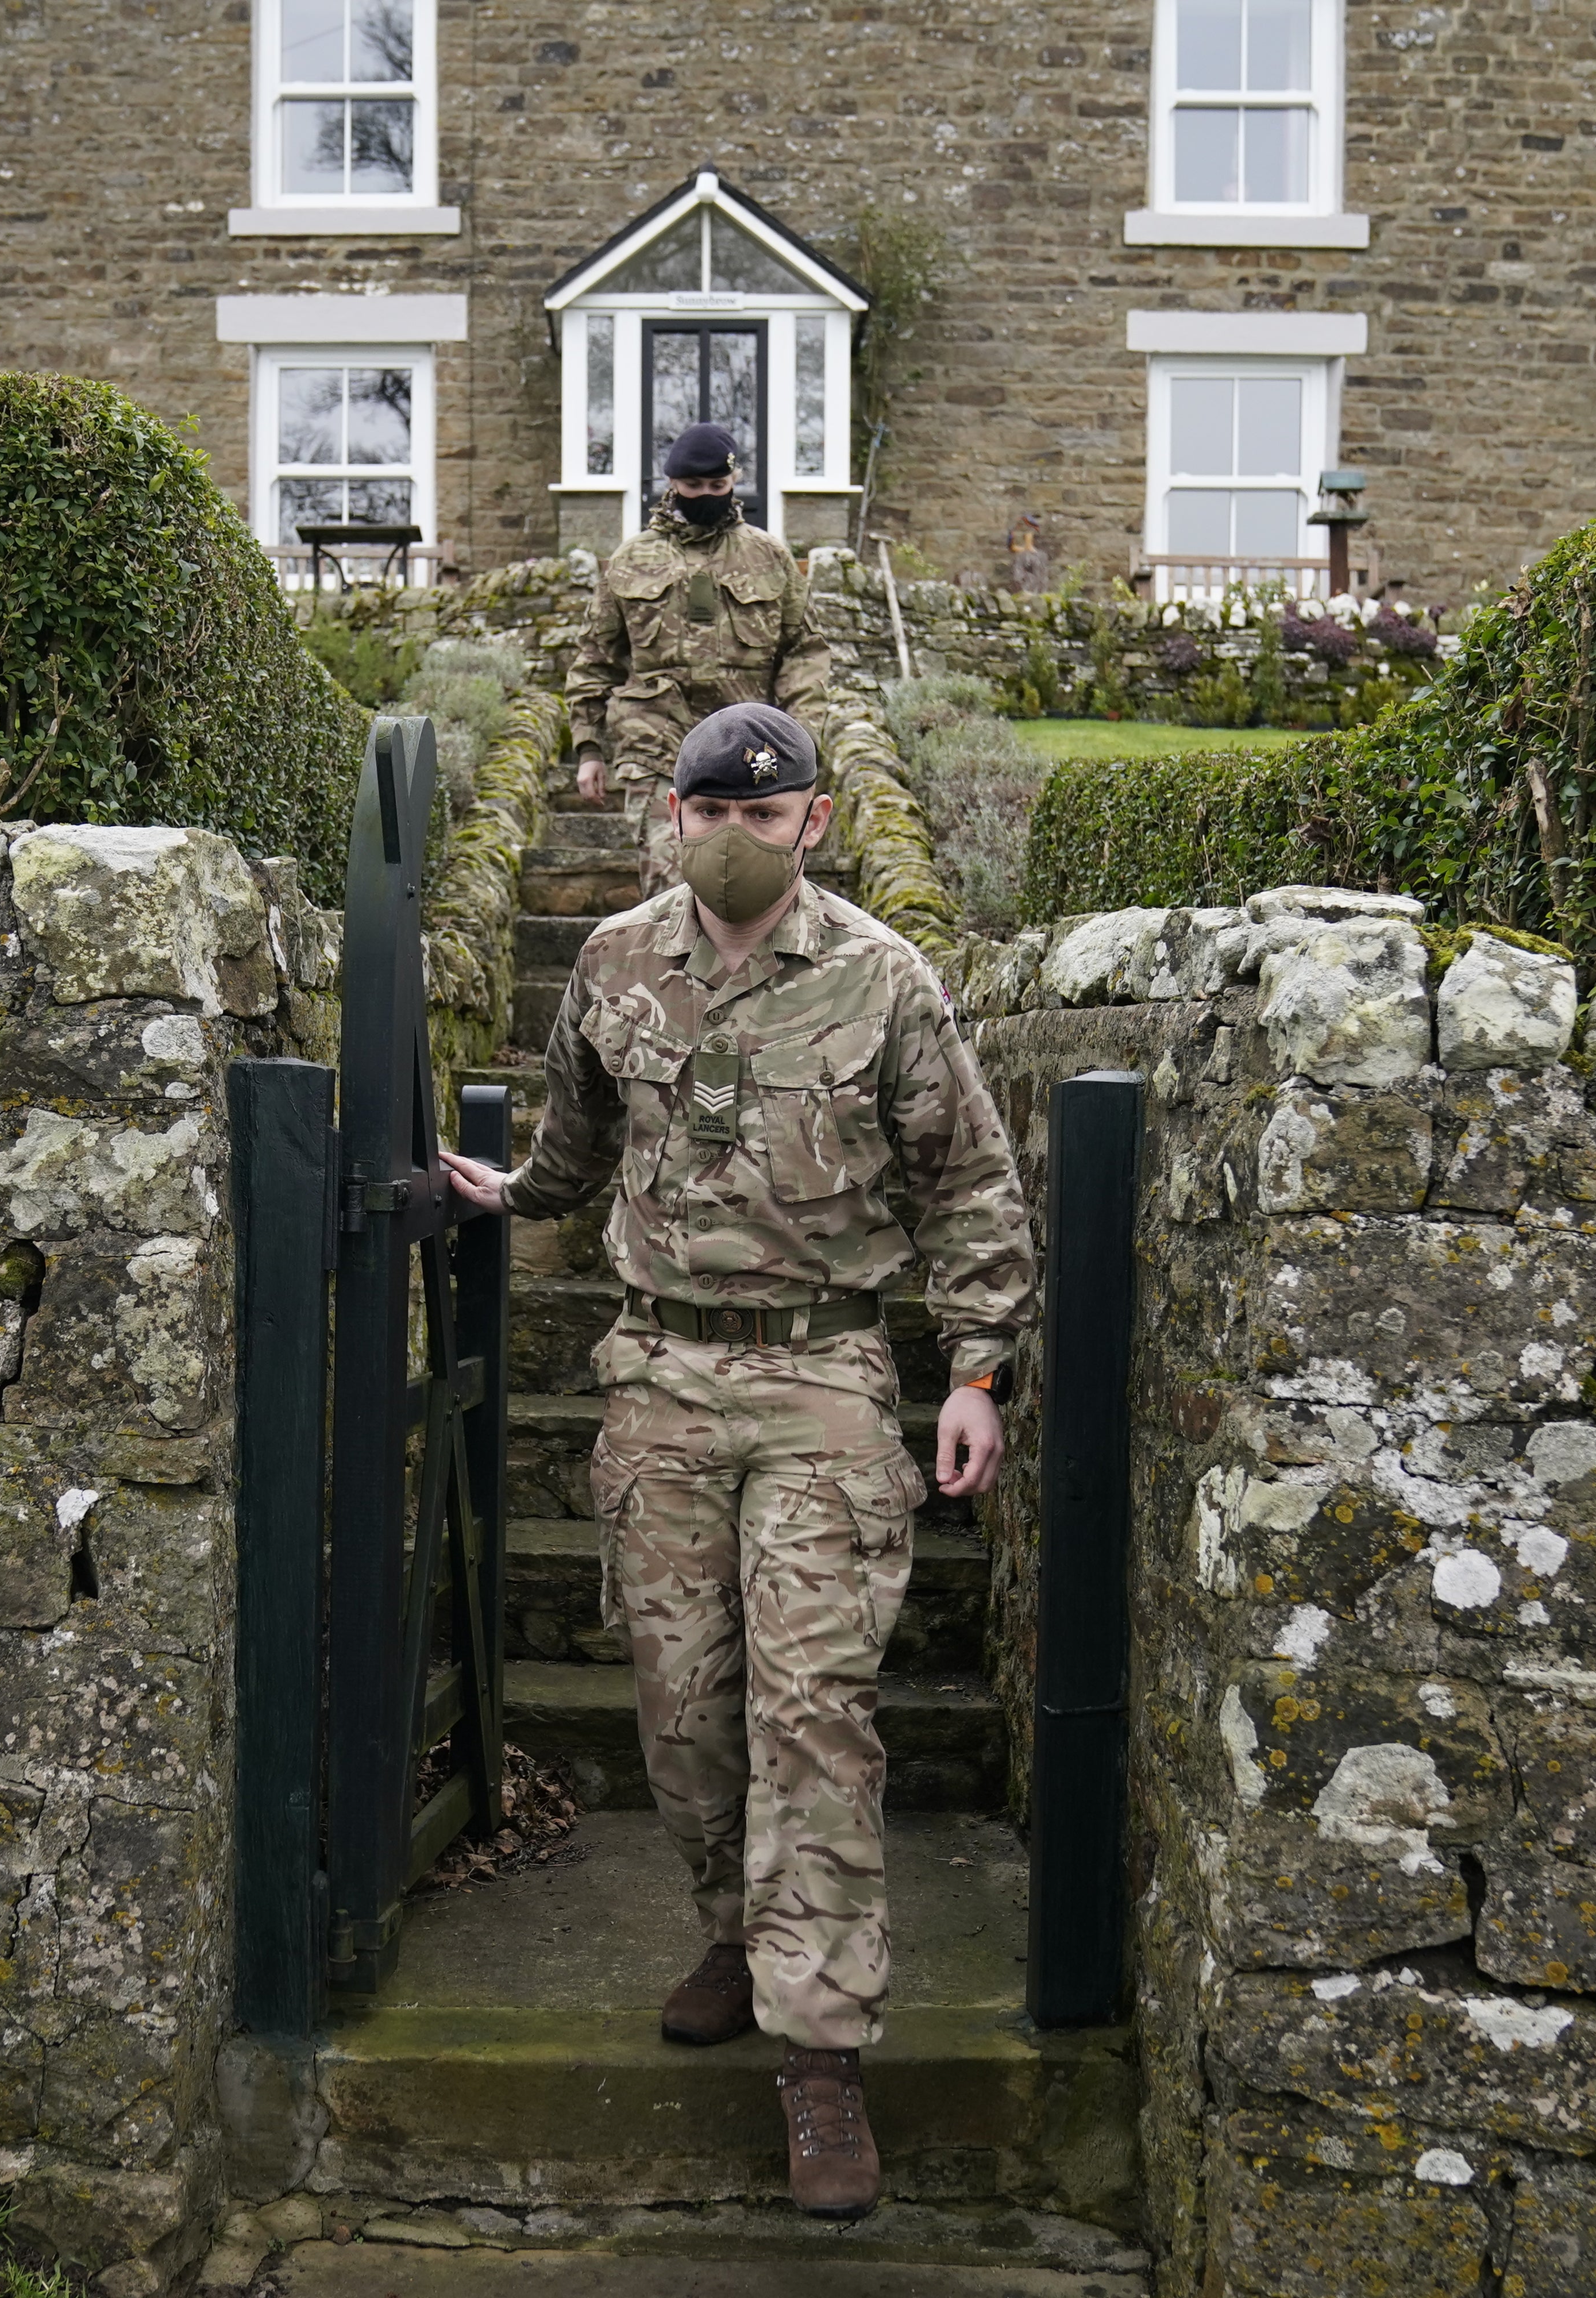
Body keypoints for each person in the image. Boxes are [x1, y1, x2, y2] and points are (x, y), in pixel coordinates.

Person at [437, 701, 1035, 2220]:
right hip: (659, 1379)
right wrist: (506, 1190)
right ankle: (734, 1927)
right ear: (673, 815)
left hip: (824, 1377)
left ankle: (822, 2055)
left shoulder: (884, 983)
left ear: (814, 823)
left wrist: (976, 1371)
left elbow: (970, 1187)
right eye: (711, 810)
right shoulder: (614, 964)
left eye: (765, 817)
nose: (736, 835)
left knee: (814, 1707)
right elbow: (576, 1152)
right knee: (683, 1704)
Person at [564, 422, 834, 897]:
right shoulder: (631, 560)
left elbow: (804, 651)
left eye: (717, 486)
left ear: (734, 483)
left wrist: (802, 738)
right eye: (694, 486)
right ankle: (673, 972)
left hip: (750, 744)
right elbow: (596, 657)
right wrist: (588, 748)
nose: (705, 495)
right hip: (656, 742)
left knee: (756, 880)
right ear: (672, 484)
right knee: (671, 884)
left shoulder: (768, 556)